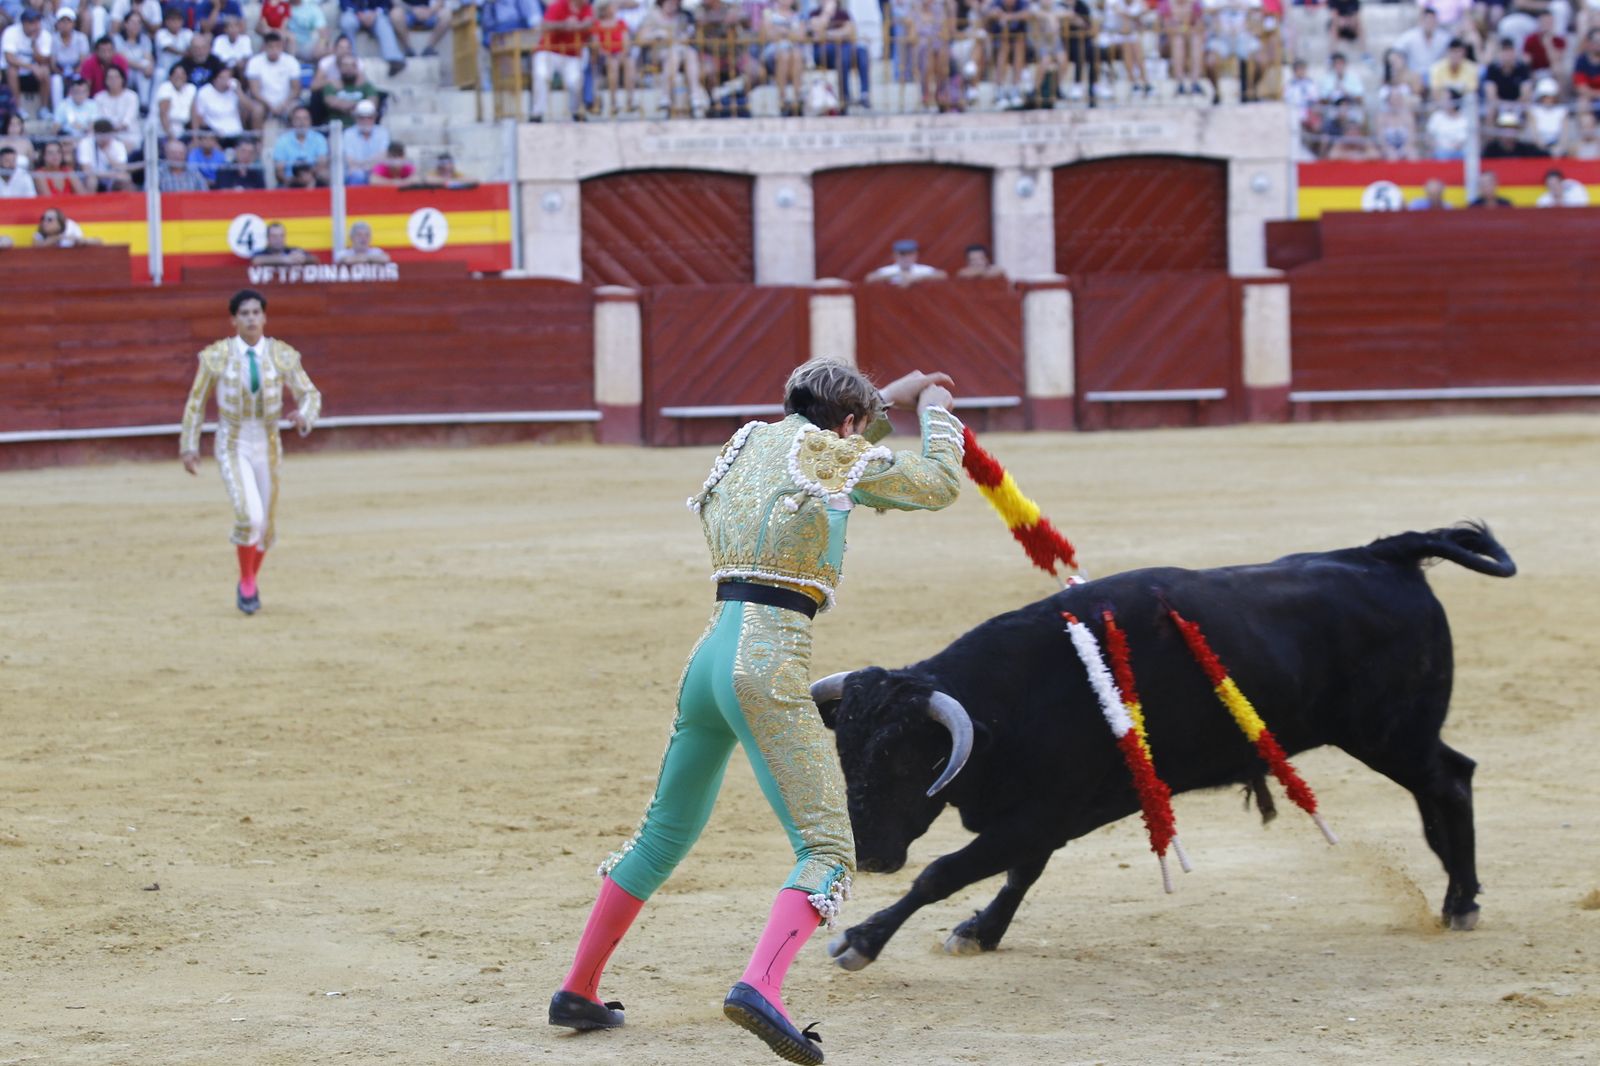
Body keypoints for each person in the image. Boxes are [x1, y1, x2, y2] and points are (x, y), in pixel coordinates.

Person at [548, 361, 963, 1066]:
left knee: (661, 834)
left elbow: (840, 448)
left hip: (709, 656)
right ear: (850, 424)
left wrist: (884, 400)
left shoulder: (749, 442)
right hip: (767, 661)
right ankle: (760, 985)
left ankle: (579, 987)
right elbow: (937, 485)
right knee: (829, 850)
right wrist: (940, 410)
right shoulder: (837, 454)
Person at [179, 289, 321, 616]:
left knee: (266, 524)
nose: (251, 318)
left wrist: (305, 416)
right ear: (234, 320)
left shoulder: (283, 355)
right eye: (244, 313)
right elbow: (195, 404)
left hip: (269, 444)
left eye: (256, 312)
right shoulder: (216, 356)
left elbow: (310, 394)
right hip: (233, 443)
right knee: (249, 516)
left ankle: (251, 579)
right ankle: (247, 582)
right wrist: (189, 445)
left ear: (264, 317)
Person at [272, 105, 329, 184]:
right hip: (290, 182)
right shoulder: (282, 141)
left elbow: (322, 164)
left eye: (305, 119)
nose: (302, 122)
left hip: (314, 179)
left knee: (325, 176)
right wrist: (294, 180)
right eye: (298, 119)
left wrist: (307, 175)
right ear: (292, 121)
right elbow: (279, 170)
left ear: (310, 121)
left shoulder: (319, 139)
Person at [865, 238, 947, 285]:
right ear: (895, 255)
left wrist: (917, 277)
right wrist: (897, 274)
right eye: (902, 254)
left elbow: (943, 275)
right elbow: (869, 279)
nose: (906, 258)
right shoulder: (890, 270)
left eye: (910, 254)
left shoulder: (920, 270)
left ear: (915, 255)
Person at [251, 219, 318, 264]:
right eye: (274, 236)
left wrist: (303, 258)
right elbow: (256, 260)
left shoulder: (292, 250)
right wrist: (284, 259)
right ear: (267, 238)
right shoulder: (261, 253)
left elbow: (314, 259)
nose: (278, 239)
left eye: (281, 236)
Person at [33, 206, 101, 245]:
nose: (45, 222)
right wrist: (55, 239)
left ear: (60, 223)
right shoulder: (39, 235)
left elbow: (99, 241)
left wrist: (81, 241)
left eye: (50, 219)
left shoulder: (69, 231)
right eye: (43, 218)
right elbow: (37, 247)